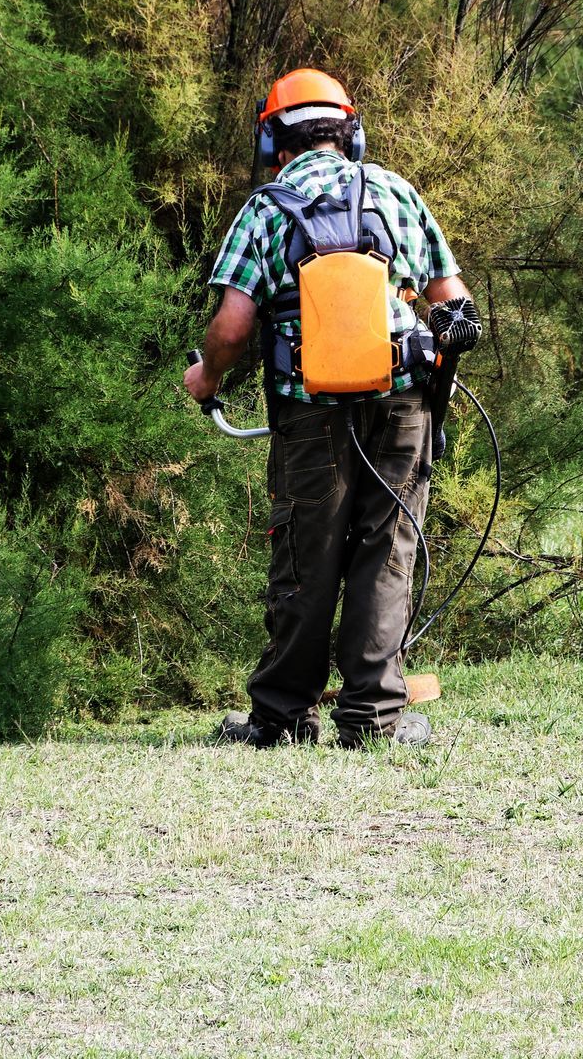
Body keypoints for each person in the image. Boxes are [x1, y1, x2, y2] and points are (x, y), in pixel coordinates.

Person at [182, 69, 478, 749]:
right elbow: (455, 304)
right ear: (351, 134)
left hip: (309, 416)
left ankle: (283, 720)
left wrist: (208, 376)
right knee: (386, 553)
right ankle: (373, 721)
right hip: (403, 406)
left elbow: (232, 327)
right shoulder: (397, 193)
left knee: (305, 560)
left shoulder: (265, 210)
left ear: (272, 142)